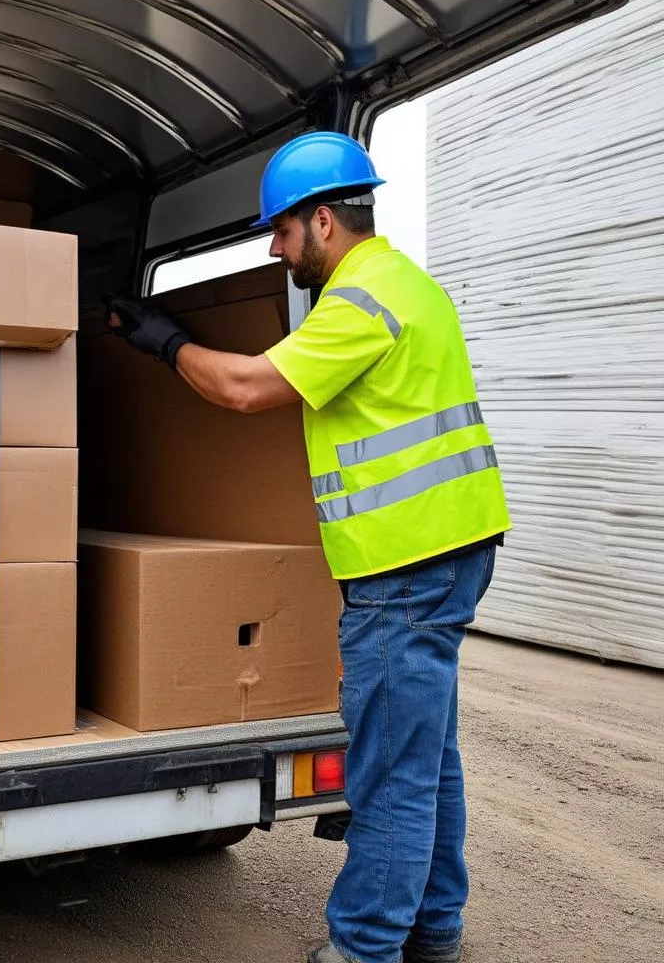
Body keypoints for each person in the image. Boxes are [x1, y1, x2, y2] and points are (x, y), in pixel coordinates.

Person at [107, 131, 511, 963]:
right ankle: (434, 928)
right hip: (444, 548)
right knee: (425, 755)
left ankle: (365, 948)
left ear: (324, 220)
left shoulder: (361, 301)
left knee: (390, 770)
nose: (274, 247)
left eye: (281, 231)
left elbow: (250, 388)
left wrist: (163, 340)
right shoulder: (408, 284)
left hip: (405, 566)